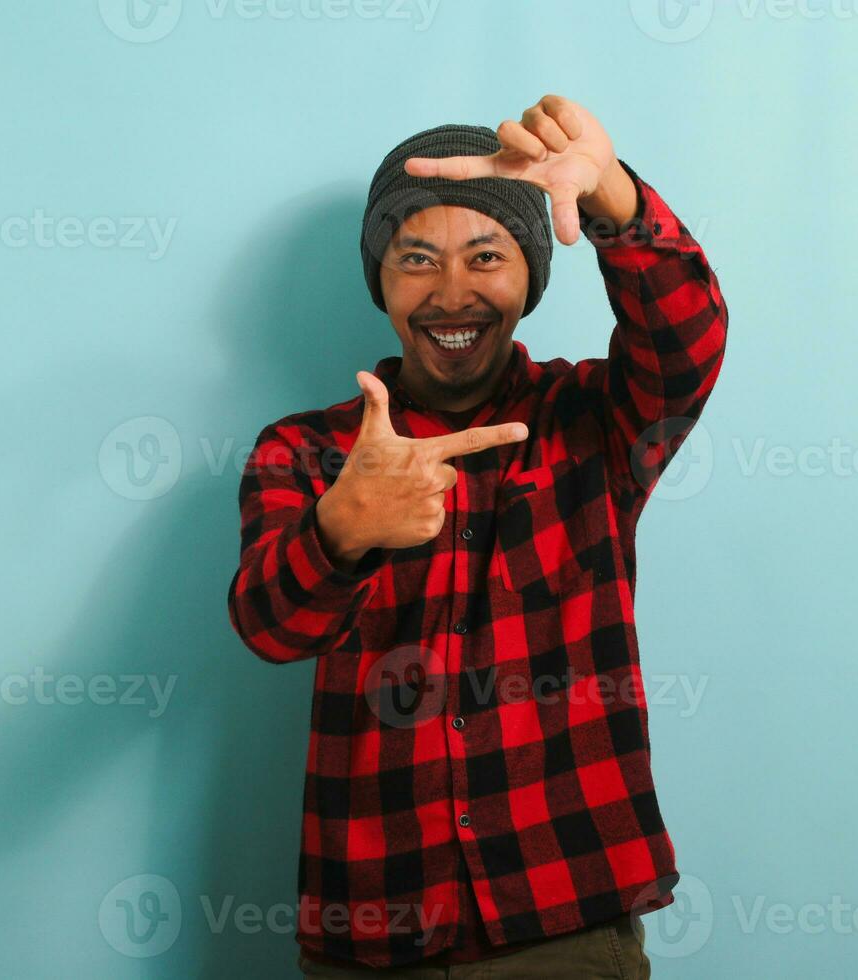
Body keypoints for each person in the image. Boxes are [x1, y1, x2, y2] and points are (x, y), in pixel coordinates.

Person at [228, 94, 729, 977]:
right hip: (373, 929)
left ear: (529, 280)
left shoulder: (594, 420)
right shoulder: (305, 450)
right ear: (380, 281)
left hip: (566, 917)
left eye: (485, 257)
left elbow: (687, 338)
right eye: (415, 260)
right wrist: (340, 530)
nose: (450, 293)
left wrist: (611, 192)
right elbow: (271, 628)